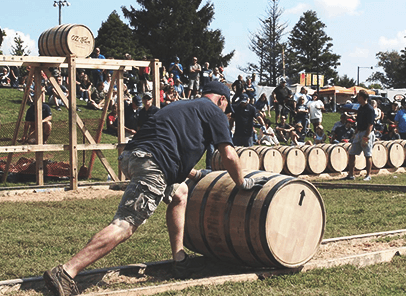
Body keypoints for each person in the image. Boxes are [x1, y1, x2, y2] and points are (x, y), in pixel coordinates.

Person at [43, 81, 269, 295]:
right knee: (125, 223)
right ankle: (66, 271)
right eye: (226, 106)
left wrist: (197, 174)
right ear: (222, 99)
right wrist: (242, 182)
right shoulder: (214, 111)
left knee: (180, 192)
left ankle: (179, 261)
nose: (226, 110)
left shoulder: (182, 105)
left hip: (132, 157)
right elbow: (229, 154)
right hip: (153, 163)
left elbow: (167, 144)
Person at [344, 91, 375, 181]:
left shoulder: (369, 109)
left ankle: (368, 175)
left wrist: (366, 136)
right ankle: (350, 175)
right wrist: (356, 132)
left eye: (358, 97)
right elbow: (359, 122)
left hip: (367, 133)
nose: (357, 98)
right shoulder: (360, 108)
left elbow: (370, 124)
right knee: (352, 153)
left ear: (362, 97)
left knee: (368, 154)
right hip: (359, 133)